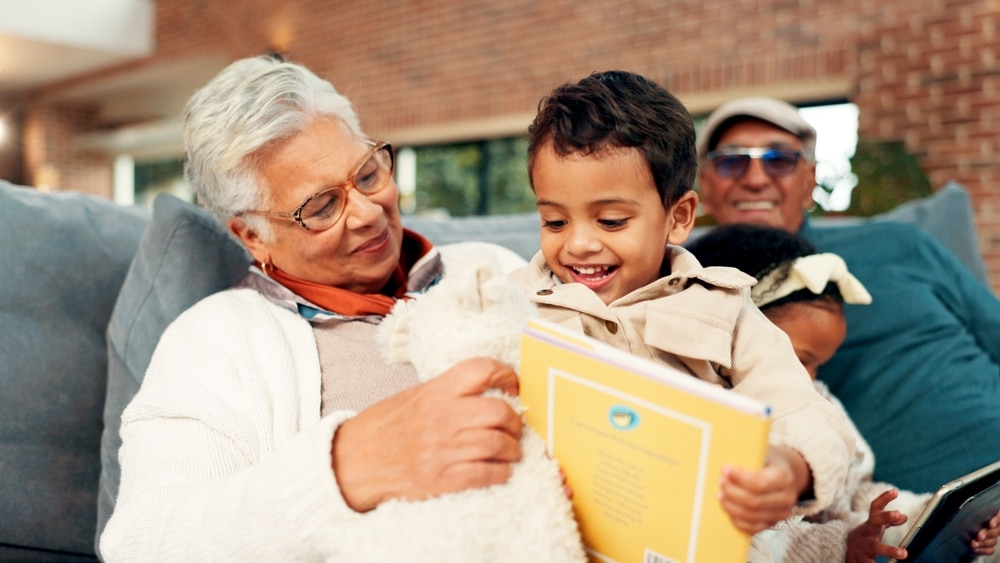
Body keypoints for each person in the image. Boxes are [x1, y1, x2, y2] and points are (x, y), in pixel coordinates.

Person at [100, 55, 532, 560]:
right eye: (322, 208)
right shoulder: (213, 340)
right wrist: (345, 468)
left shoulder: (495, 267)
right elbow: (141, 543)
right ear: (252, 236)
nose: (369, 213)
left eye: (368, 174)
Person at [507, 70, 855, 536]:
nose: (578, 244)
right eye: (554, 221)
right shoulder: (510, 303)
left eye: (611, 221)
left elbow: (806, 414)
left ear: (679, 217)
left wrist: (790, 468)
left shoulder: (725, 309)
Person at [696, 96, 1000, 494]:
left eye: (779, 160)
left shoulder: (899, 243)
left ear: (809, 180)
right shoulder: (693, 287)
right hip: (899, 525)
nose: (755, 178)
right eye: (731, 160)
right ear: (706, 184)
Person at [687, 223, 1000, 563]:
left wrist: (927, 516)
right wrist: (842, 544)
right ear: (736, 329)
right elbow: (755, 541)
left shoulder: (820, 404)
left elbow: (858, 493)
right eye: (797, 359)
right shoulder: (715, 413)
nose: (807, 378)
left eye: (818, 365)